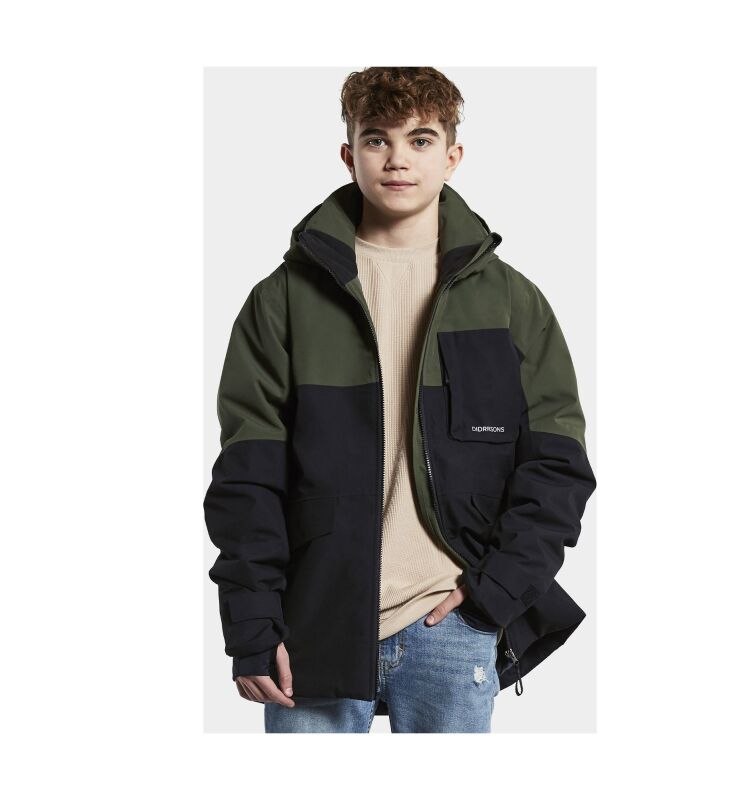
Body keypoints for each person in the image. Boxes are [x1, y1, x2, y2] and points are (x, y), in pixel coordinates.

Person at [204, 66, 597, 733]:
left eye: (420, 139)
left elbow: (557, 465)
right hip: (312, 622)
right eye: (376, 139)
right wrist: (250, 621)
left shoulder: (511, 302)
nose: (397, 159)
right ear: (348, 153)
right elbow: (248, 479)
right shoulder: (283, 301)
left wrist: (495, 592)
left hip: (452, 622)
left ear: (453, 155)